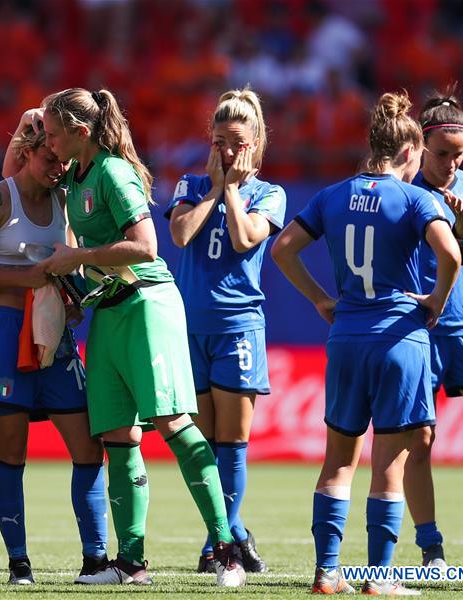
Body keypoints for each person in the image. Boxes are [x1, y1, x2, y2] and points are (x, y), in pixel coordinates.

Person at [34, 88, 246, 587]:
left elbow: (147, 246)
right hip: (109, 311)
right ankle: (131, 563)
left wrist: (77, 259)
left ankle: (226, 549)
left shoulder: (110, 171)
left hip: (146, 305)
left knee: (173, 422)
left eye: (51, 131)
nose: (45, 139)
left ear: (80, 133)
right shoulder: (78, 172)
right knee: (117, 437)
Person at [271, 91, 461, 595]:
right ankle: (378, 578)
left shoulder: (332, 195)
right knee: (390, 464)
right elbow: (451, 255)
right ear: (408, 152)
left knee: (337, 460)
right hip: (399, 337)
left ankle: (327, 573)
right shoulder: (418, 198)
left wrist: (319, 299)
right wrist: (436, 302)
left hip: (347, 334)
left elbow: (283, 248)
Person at [0, 116, 108, 584]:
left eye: (63, 162)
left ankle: (96, 558)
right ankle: (18, 561)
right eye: (49, 159)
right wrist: (24, 279)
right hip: (6, 329)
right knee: (12, 452)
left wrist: (72, 294)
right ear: (26, 152)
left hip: (54, 332)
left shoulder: (66, 200)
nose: (58, 169)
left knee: (88, 446)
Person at [165, 87, 285, 574]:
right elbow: (179, 234)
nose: (227, 152)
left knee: (232, 443)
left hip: (237, 326)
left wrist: (232, 189)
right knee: (203, 445)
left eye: (236, 142)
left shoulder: (268, 193)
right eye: (219, 141)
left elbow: (243, 237)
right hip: (190, 326)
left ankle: (219, 547)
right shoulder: (189, 185)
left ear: (254, 141)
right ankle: (232, 534)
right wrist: (215, 187)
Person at [403, 91, 463, 569]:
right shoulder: (402, 191)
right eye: (442, 154)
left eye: (459, 154)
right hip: (418, 333)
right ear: (420, 147)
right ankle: (430, 548)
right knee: (418, 442)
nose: (451, 163)